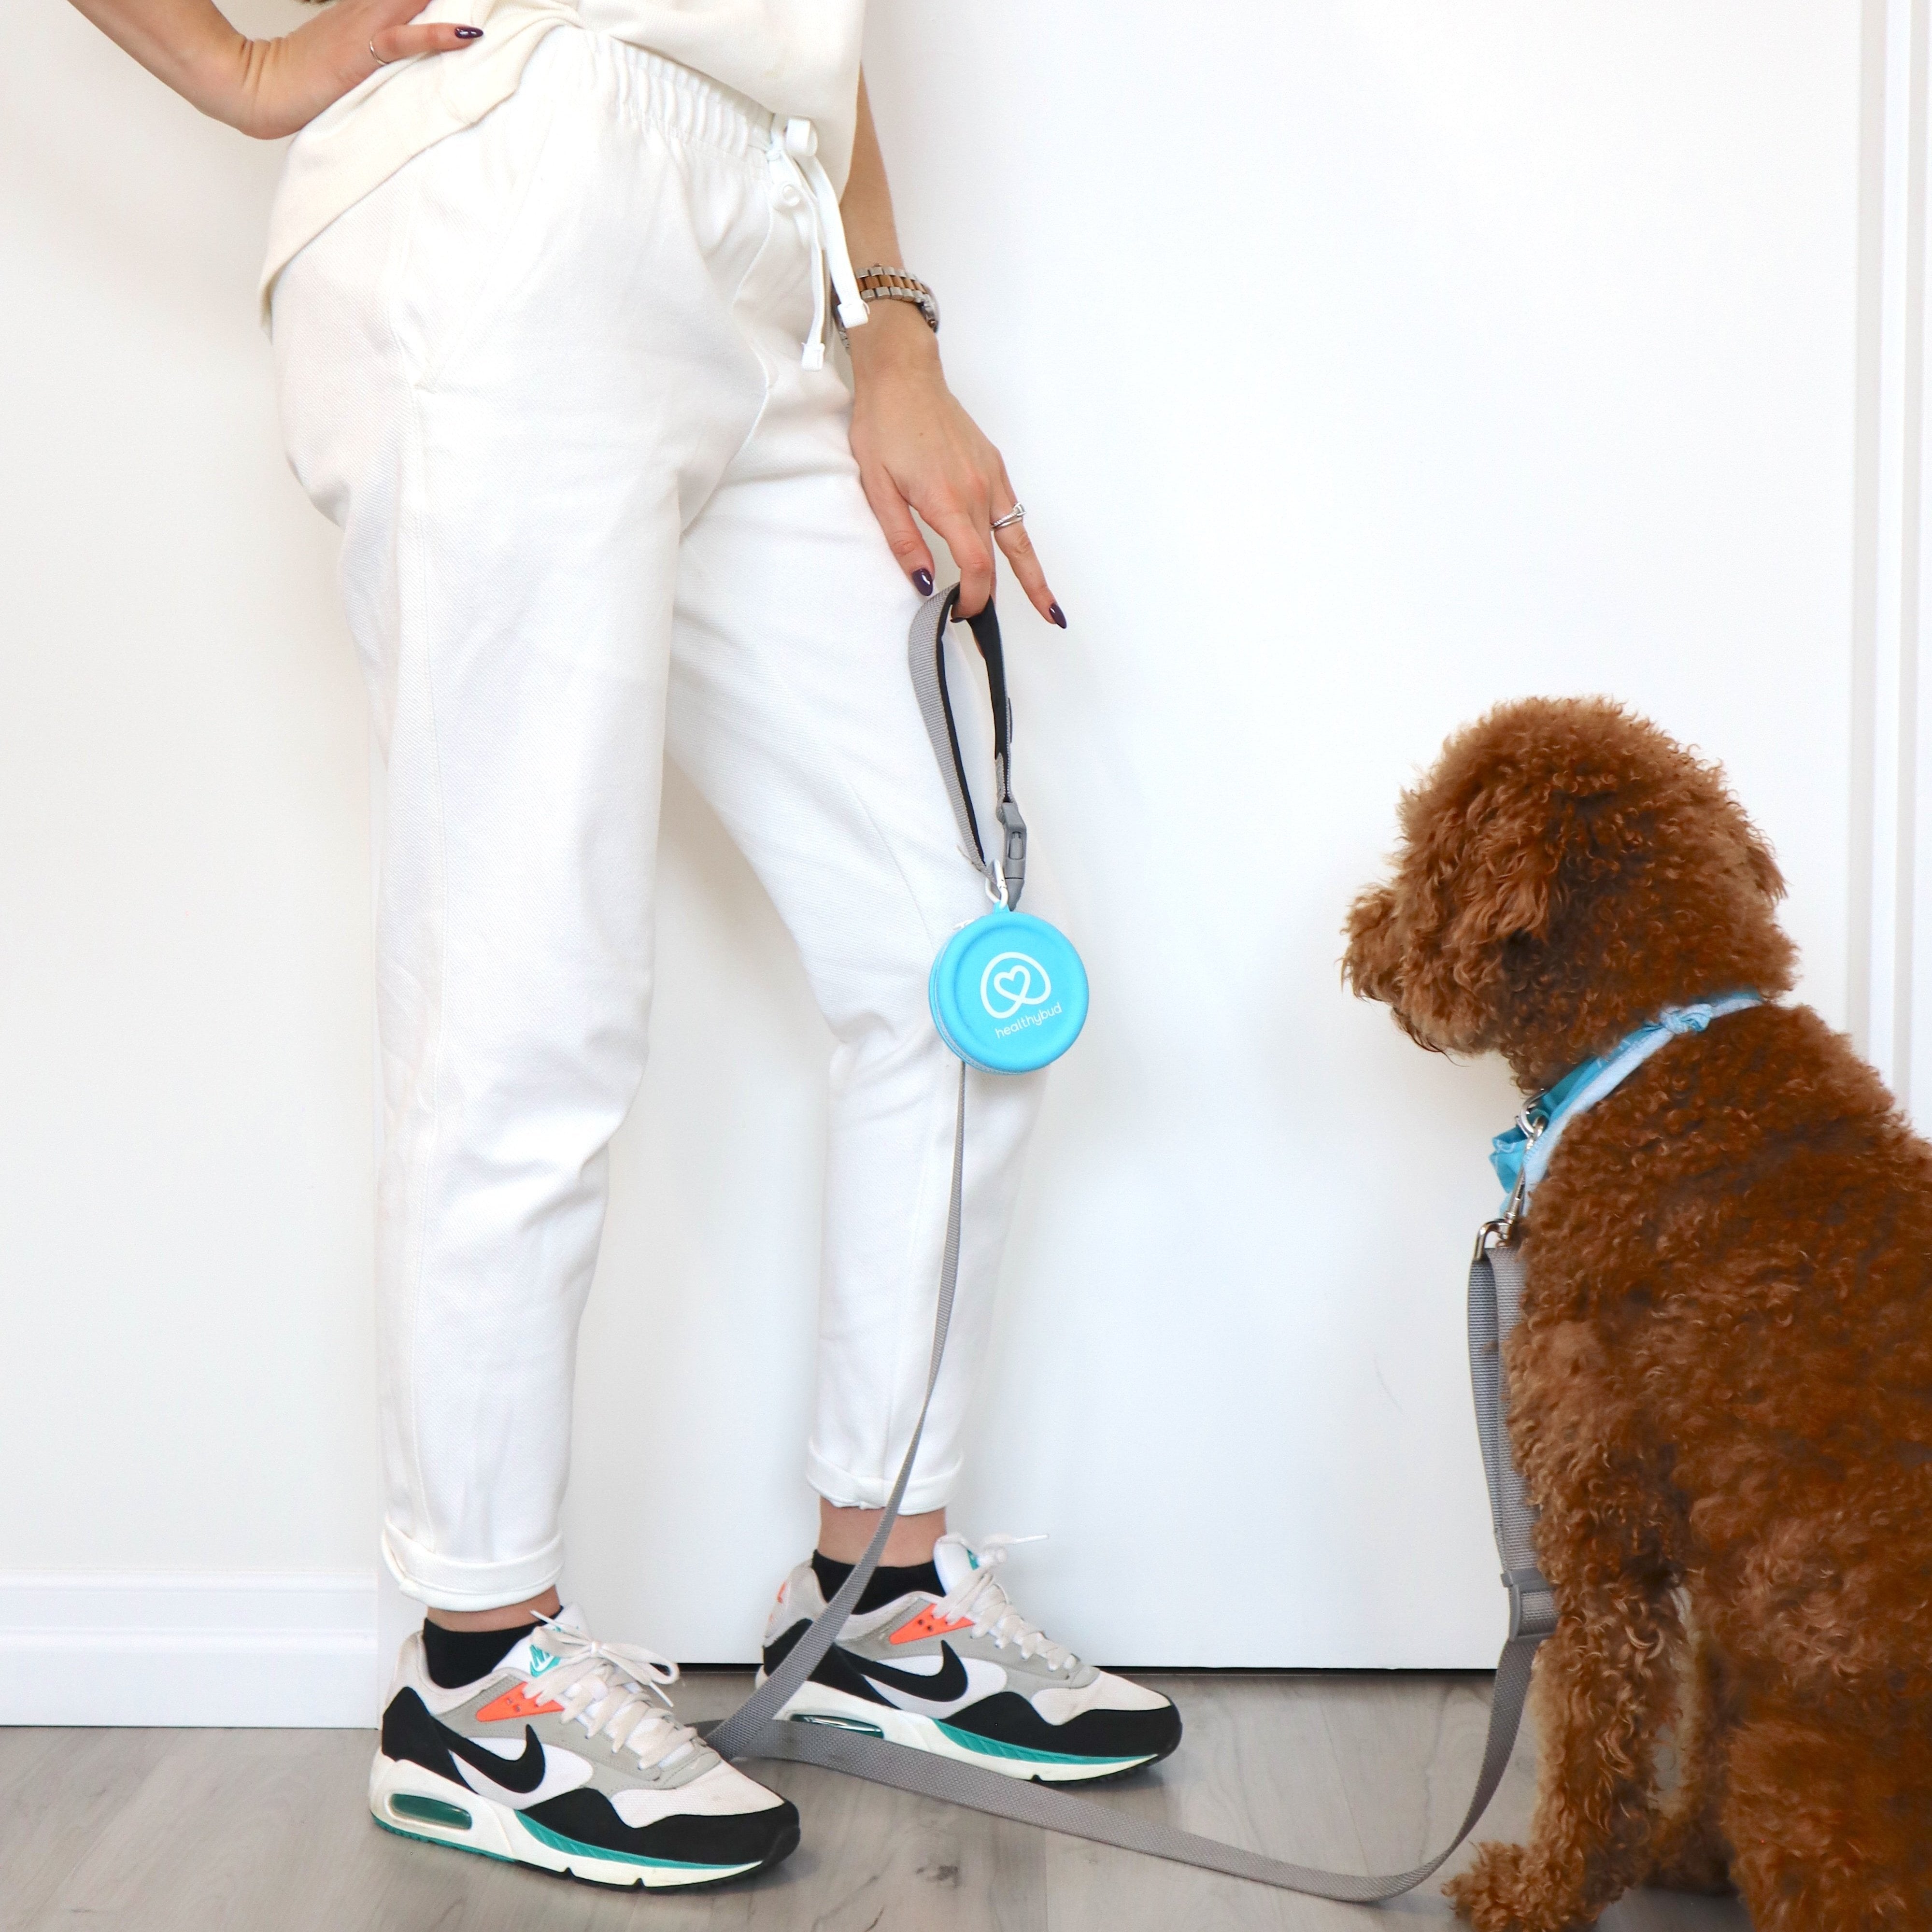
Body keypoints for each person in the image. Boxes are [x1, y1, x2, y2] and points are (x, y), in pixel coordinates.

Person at [68, 0, 1180, 1891]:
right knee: (527, 984)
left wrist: (893, 327)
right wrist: (238, 72)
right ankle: (480, 1677)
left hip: (774, 250)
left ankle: (878, 1596)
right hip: (514, 200)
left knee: (958, 969)